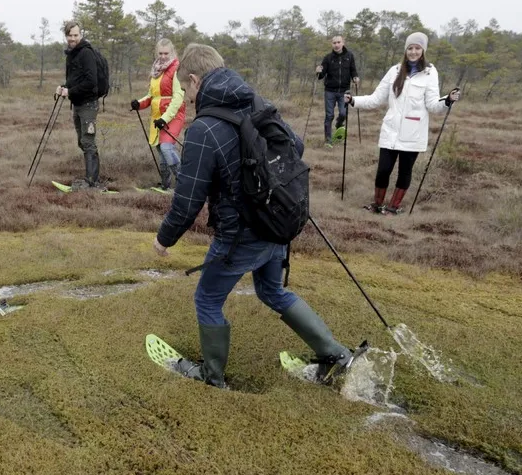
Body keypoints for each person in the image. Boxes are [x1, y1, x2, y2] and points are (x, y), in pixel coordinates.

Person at [152, 44, 359, 389]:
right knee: (271, 291)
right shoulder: (256, 101)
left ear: (194, 79)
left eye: (185, 90)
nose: (186, 98)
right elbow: (297, 145)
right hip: (275, 223)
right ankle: (336, 354)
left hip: (240, 234)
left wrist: (163, 239)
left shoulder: (203, 129)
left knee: (206, 299)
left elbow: (187, 201)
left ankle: (211, 376)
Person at [345, 32, 460, 215]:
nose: (413, 52)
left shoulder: (430, 73)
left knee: (404, 172)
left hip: (413, 132)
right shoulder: (395, 70)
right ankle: (377, 205)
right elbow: (376, 98)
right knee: (383, 170)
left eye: (417, 48)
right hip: (391, 130)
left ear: (423, 50)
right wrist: (353, 101)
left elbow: (432, 105)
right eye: (410, 48)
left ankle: (394, 207)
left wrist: (447, 100)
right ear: (405, 50)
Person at [131, 39, 186, 190]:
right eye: (160, 53)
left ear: (172, 52)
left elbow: (178, 98)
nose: (163, 56)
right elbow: (152, 95)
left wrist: (165, 118)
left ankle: (184, 184)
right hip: (157, 117)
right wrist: (139, 103)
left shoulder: (176, 70)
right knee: (161, 151)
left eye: (166, 53)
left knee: (167, 147)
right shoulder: (156, 70)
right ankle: (165, 186)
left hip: (173, 116)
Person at [56, 21, 102, 189]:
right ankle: (90, 179)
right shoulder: (71, 54)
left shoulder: (86, 53)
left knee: (88, 141)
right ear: (66, 36)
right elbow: (73, 80)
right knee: (82, 141)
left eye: (76, 35)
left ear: (80, 35)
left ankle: (92, 182)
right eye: (70, 35)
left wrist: (71, 92)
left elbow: (91, 82)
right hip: (77, 104)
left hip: (89, 104)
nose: (73, 38)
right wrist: (63, 87)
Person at [316, 35, 359, 148]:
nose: (336, 45)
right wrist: (318, 72)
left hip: (345, 91)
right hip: (330, 91)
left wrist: (355, 77)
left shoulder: (350, 56)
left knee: (343, 113)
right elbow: (321, 76)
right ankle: (328, 141)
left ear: (343, 43)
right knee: (329, 115)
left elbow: (353, 70)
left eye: (338, 42)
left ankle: (339, 125)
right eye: (334, 43)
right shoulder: (328, 58)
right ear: (332, 44)